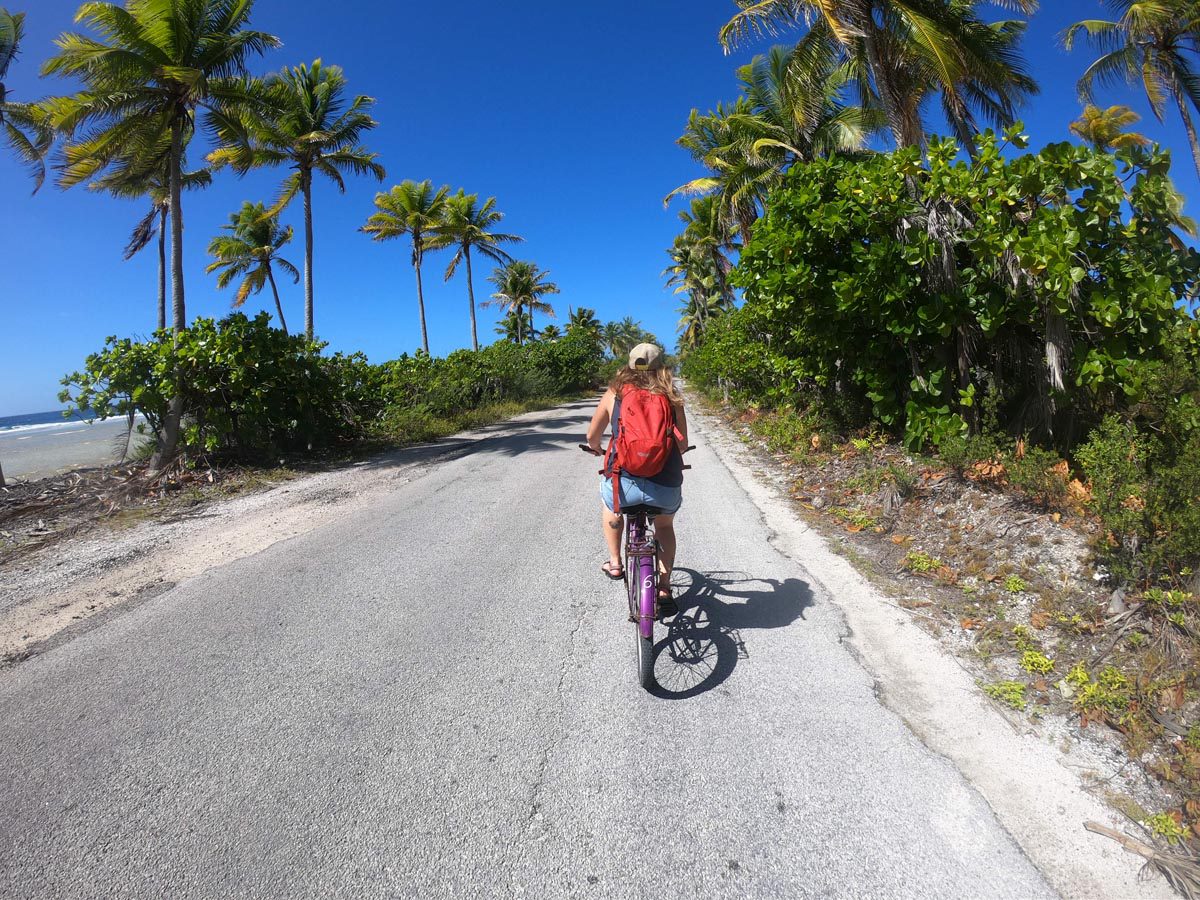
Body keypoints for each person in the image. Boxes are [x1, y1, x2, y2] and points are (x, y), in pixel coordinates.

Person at [585, 342, 688, 612]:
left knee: (610, 506)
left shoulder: (615, 393)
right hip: (663, 485)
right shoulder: (671, 396)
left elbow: (592, 436)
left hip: (624, 482)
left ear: (629, 365)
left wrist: (596, 448)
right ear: (662, 367)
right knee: (664, 526)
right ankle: (664, 586)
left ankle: (615, 562)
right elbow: (683, 444)